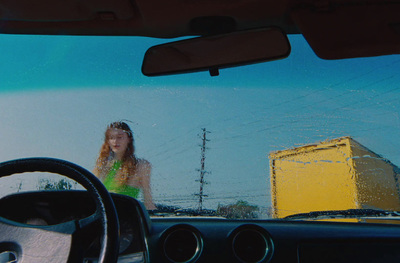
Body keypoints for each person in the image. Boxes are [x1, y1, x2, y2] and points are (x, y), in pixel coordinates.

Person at [93, 121, 156, 210]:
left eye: (120, 137)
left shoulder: (140, 166)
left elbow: (148, 201)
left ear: (129, 139)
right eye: (111, 138)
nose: (115, 141)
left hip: (127, 219)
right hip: (105, 218)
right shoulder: (102, 166)